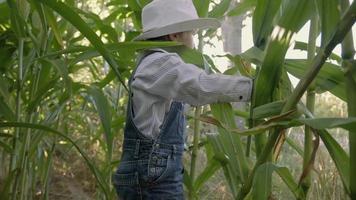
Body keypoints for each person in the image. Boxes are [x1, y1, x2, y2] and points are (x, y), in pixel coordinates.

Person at [113, 0, 253, 199]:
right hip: (151, 178)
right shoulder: (158, 63)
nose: (194, 41)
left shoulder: (157, 64)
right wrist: (251, 88)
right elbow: (200, 85)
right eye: (192, 33)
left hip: (153, 175)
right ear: (175, 35)